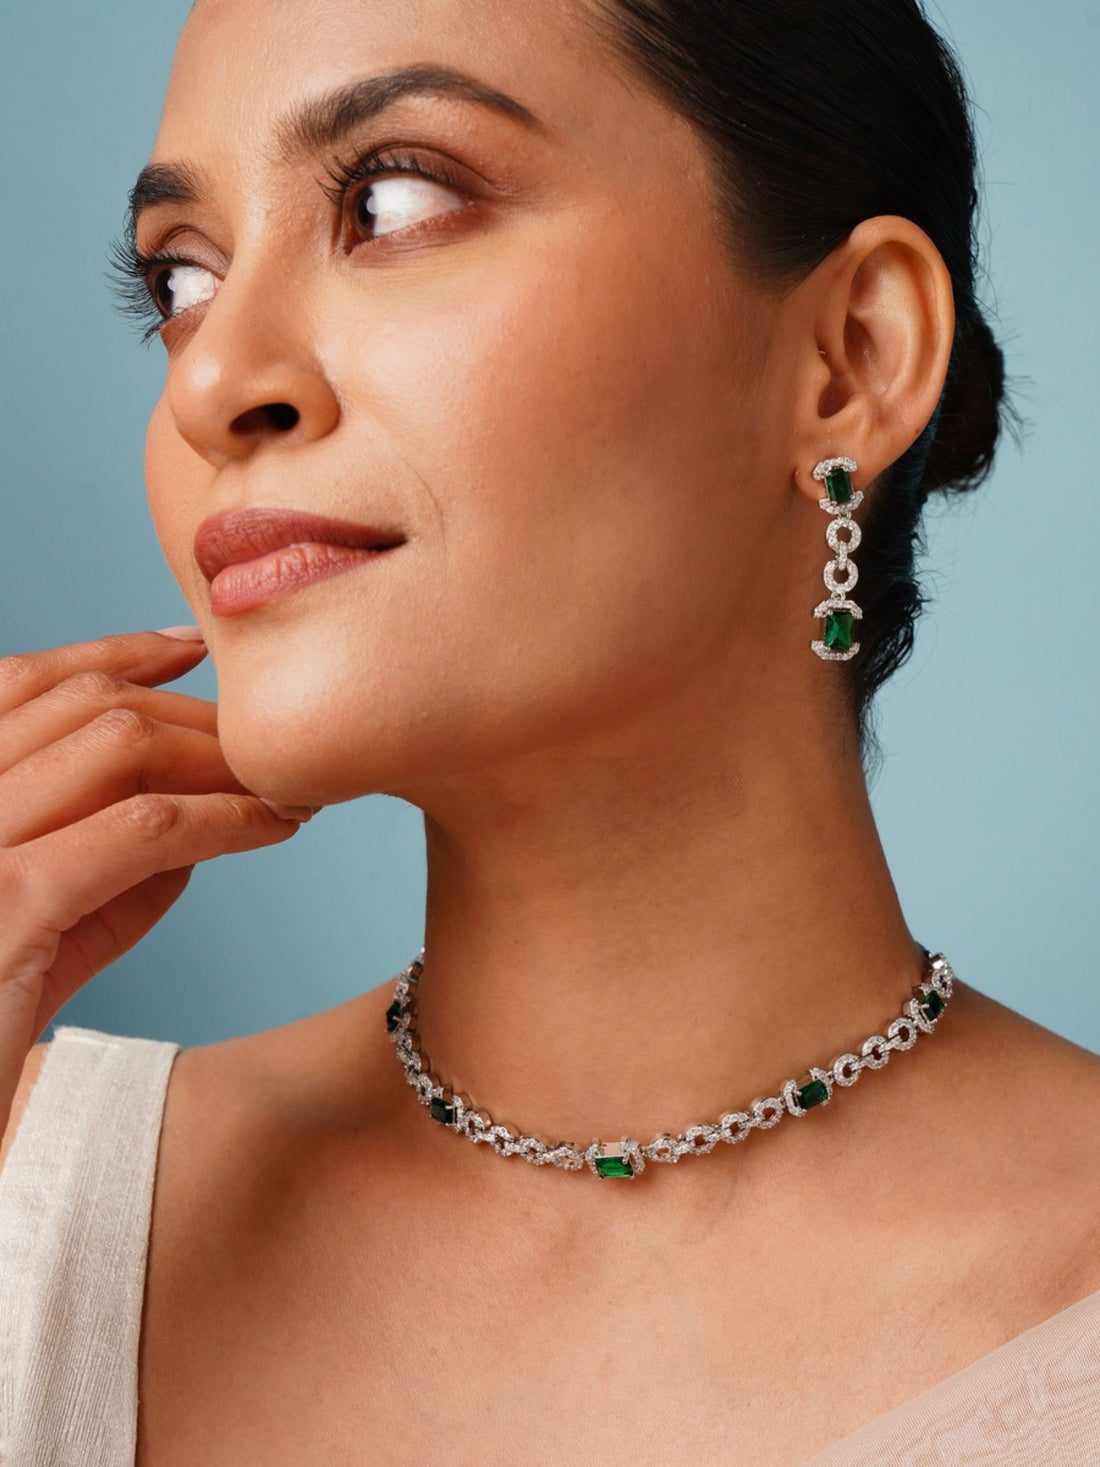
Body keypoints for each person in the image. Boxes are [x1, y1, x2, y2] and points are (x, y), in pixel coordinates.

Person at [0, 0, 1097, 1462]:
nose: (208, 384)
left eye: (394, 203)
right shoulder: (31, 1189)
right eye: (182, 279)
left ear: (851, 358)